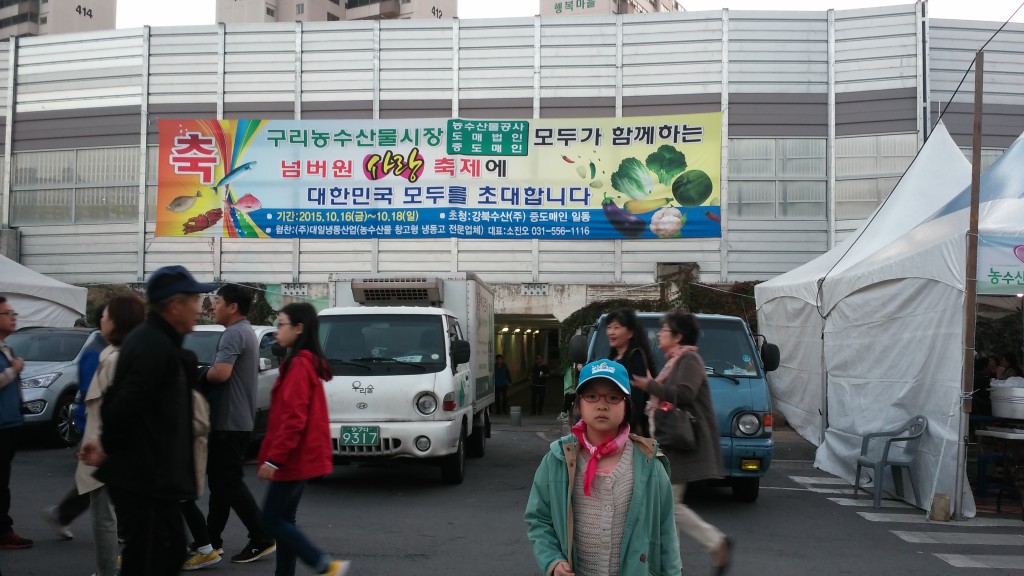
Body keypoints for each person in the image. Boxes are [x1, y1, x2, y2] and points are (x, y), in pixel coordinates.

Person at [80, 265, 214, 576]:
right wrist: (109, 448)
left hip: (156, 479)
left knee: (162, 555)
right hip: (144, 480)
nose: (200, 307)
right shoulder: (153, 345)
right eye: (194, 300)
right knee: (152, 559)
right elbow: (120, 405)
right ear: (175, 305)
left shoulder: (162, 342)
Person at [525, 359, 680, 576]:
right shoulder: (557, 459)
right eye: (592, 396)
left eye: (613, 397)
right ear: (579, 404)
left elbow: (667, 536)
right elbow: (538, 519)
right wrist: (552, 560)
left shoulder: (650, 465)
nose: (602, 404)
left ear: (626, 405)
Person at [631, 310, 732, 576]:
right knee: (669, 505)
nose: (660, 333)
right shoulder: (674, 361)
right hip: (670, 442)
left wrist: (650, 386)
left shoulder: (690, 359)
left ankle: (715, 543)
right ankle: (672, 565)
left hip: (682, 443)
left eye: (665, 329)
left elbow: (685, 394)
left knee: (670, 505)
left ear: (678, 336)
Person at [257, 302, 349, 576]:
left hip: (292, 458)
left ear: (299, 329)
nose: (276, 332)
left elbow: (293, 419)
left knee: (270, 519)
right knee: (284, 519)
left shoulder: (299, 364)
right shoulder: (303, 362)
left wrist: (274, 459)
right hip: (300, 456)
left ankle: (322, 563)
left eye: (280, 324)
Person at [193, 284, 275, 567]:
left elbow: (220, 373)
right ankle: (211, 540)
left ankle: (262, 536)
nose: (212, 306)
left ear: (232, 306)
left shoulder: (233, 334)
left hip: (229, 420)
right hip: (237, 419)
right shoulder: (246, 332)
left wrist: (200, 374)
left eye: (217, 301)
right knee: (221, 484)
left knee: (228, 482)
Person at [74, 296, 145, 576]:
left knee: (107, 517)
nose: (100, 321)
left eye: (105, 317)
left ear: (117, 321)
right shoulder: (114, 353)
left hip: (109, 450)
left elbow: (118, 410)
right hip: (107, 448)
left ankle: (108, 570)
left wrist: (101, 445)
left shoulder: (117, 358)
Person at [42, 305, 105, 541]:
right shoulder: (95, 350)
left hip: (101, 421)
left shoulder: (109, 347)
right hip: (95, 421)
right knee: (95, 476)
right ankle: (62, 514)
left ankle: (62, 514)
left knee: (97, 477)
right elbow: (90, 390)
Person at [0, 295, 32, 549]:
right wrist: (14, 371)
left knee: (3, 481)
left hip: (10, 425)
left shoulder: (7, 347)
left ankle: (3, 528)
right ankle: (3, 532)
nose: (13, 317)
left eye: (13, 313)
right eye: (7, 313)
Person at [605, 308, 657, 436]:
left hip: (627, 429)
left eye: (616, 327)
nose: (611, 332)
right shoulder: (613, 359)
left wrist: (624, 427)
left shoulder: (636, 358)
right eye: (609, 327)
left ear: (630, 333)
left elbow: (636, 401)